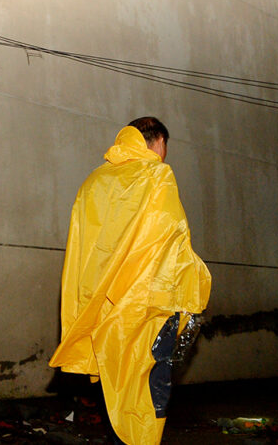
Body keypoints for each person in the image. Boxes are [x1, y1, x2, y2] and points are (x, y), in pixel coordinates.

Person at [48, 117, 212, 445]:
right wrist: (195, 289)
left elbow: (82, 252)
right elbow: (171, 238)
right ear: (156, 142)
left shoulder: (93, 182)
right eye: (166, 145)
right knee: (150, 392)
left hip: (104, 309)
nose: (166, 153)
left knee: (117, 387)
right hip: (149, 307)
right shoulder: (157, 175)